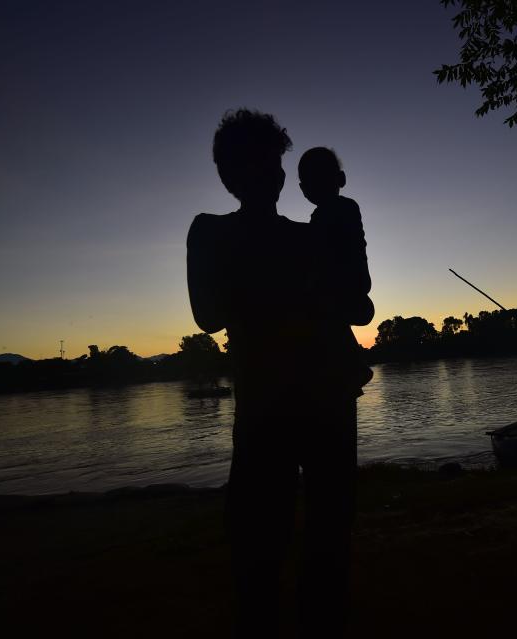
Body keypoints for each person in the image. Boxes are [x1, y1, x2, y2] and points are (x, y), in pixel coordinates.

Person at [186, 109, 371, 637]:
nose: (273, 175)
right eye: (260, 164)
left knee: (329, 533)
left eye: (275, 164)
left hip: (325, 400)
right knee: (258, 540)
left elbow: (359, 307)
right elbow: (207, 313)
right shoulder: (211, 231)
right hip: (271, 406)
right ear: (230, 175)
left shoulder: (309, 233)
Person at [298, 146, 374, 395]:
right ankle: (354, 365)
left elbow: (321, 256)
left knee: (325, 315)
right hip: (354, 281)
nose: (315, 187)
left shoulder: (329, 213)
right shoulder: (346, 207)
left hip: (345, 281)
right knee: (334, 322)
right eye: (312, 181)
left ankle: (353, 366)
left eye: (320, 179)